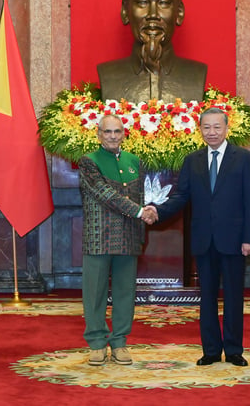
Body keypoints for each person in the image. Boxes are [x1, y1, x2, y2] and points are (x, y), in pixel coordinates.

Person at [147, 107, 250, 367]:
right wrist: (157, 210)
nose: (212, 132)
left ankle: (233, 350)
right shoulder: (192, 160)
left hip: (234, 240)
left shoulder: (243, 158)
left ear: (227, 128)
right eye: (206, 127)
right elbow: (181, 196)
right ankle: (210, 350)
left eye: (217, 127)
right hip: (203, 239)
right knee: (206, 298)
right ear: (200, 130)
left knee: (233, 297)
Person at [79, 114, 157, 366]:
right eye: (107, 132)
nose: (112, 136)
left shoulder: (133, 161)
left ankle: (120, 341)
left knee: (125, 292)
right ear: (98, 134)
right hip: (99, 236)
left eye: (117, 131)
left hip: (128, 237)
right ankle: (97, 343)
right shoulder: (88, 161)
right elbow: (104, 193)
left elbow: (141, 195)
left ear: (124, 134)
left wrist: (142, 224)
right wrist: (139, 212)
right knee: (95, 292)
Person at [97, 0, 207, 103]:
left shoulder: (196, 74)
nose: (153, 14)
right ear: (125, 11)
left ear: (179, 12)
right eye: (142, 2)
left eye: (164, 3)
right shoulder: (109, 74)